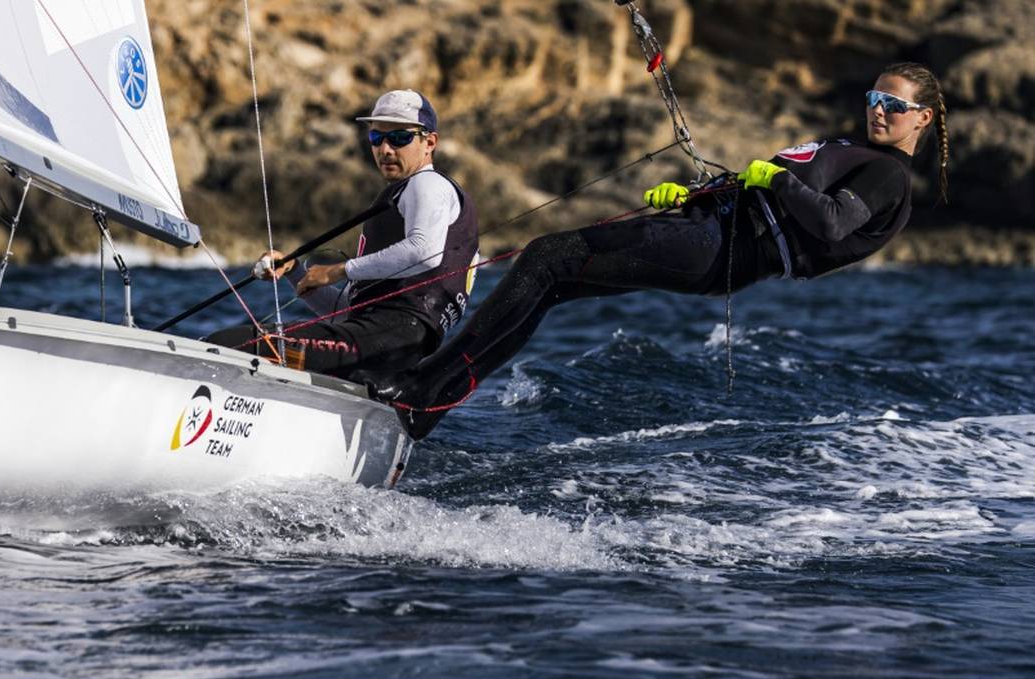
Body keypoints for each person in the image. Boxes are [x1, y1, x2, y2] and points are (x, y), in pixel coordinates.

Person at [375, 62, 950, 440]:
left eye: (894, 105)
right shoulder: (858, 147)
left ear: (921, 118)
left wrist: (771, 181)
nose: (879, 109)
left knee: (548, 257)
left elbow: (829, 223)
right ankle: (429, 401)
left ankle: (424, 389)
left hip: (723, 248)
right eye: (874, 97)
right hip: (713, 229)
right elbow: (781, 195)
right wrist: (699, 194)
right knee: (549, 281)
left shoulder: (888, 176)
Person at [207, 89, 479, 379]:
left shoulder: (428, 184)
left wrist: (337, 270)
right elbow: (346, 311)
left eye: (400, 138)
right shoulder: (400, 197)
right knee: (245, 344)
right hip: (380, 340)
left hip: (398, 335)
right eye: (376, 138)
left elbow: (425, 252)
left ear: (430, 142)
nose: (385, 149)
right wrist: (296, 272)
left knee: (234, 345)